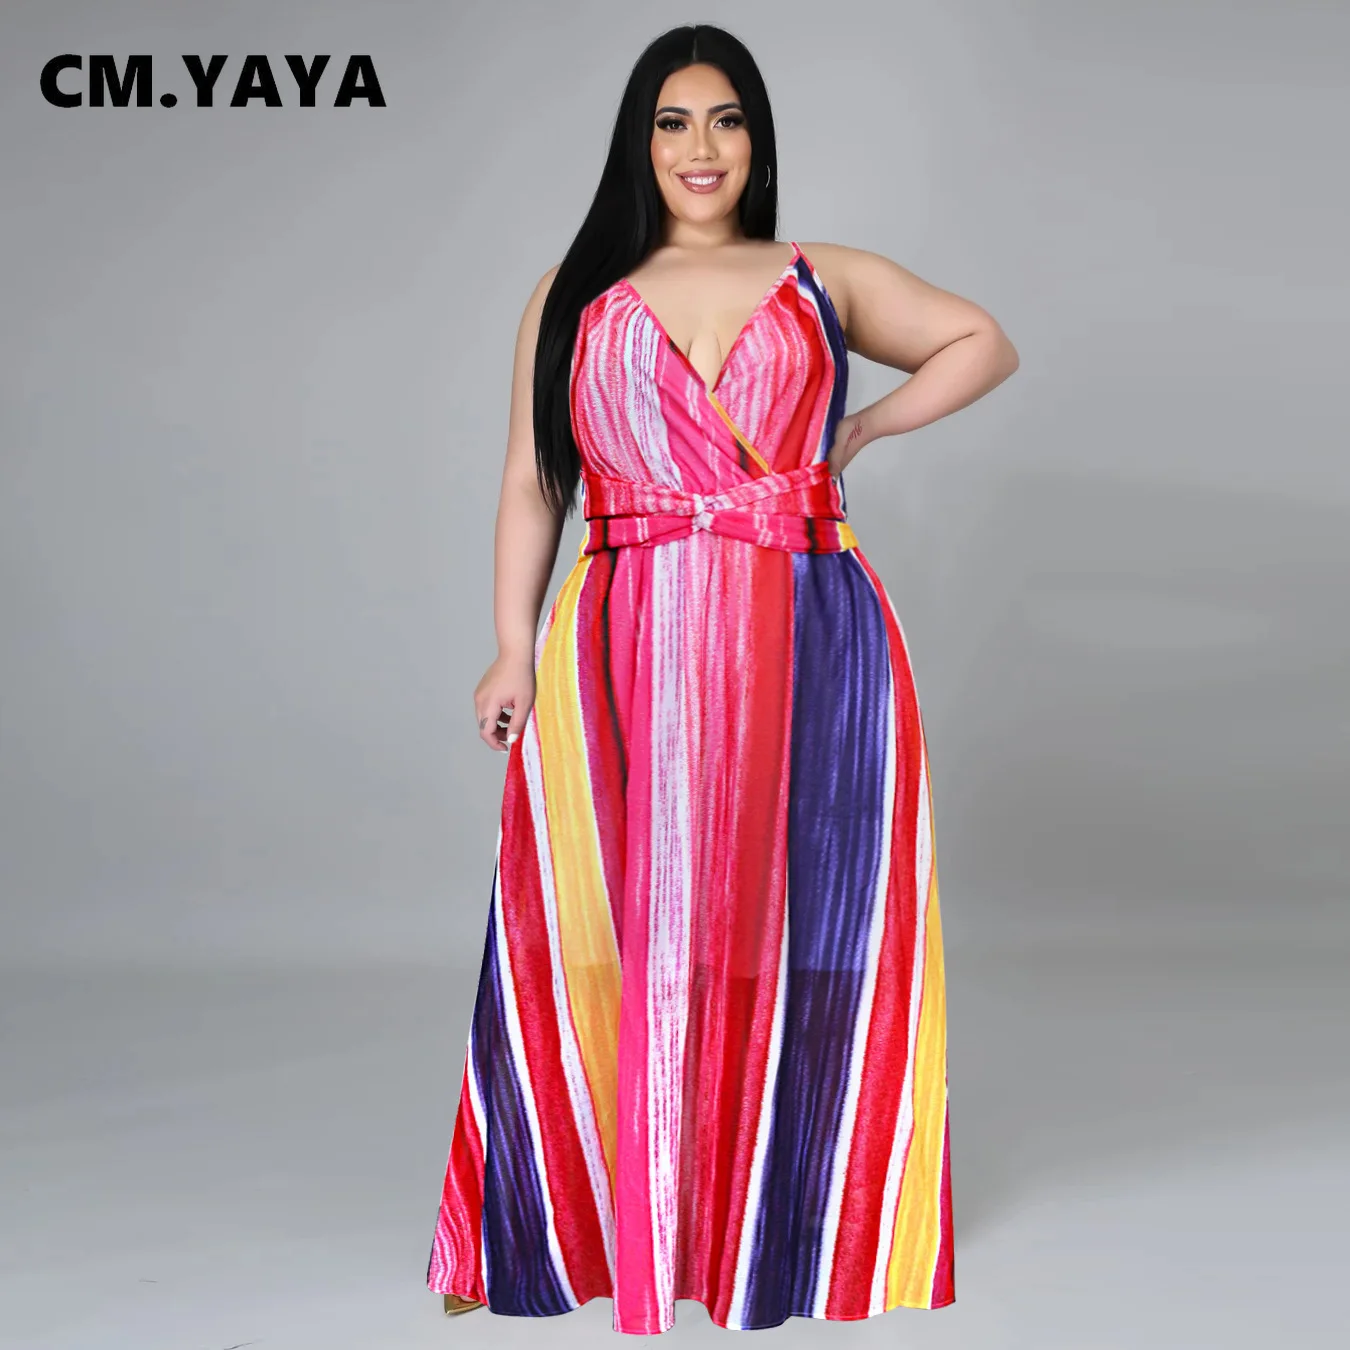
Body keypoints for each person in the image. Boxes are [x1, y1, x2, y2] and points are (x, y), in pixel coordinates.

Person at [425, 22, 1018, 1336]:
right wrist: (511, 643)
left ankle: (783, 1213)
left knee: (798, 910)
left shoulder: (822, 276)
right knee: (606, 909)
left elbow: (982, 340)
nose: (702, 148)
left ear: (758, 137)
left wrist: (857, 429)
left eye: (727, 119)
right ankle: (595, 1211)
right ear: (638, 142)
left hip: (807, 625)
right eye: (673, 121)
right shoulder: (574, 291)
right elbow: (532, 479)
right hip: (621, 636)